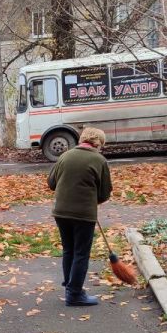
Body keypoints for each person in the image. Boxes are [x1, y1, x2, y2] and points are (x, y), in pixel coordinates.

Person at [47, 127, 113, 307]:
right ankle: (75, 294)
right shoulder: (99, 160)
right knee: (81, 253)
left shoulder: (65, 156)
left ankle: (69, 286)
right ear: (98, 143)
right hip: (84, 214)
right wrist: (92, 200)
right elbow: (105, 193)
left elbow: (51, 183)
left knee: (69, 250)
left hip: (60, 212)